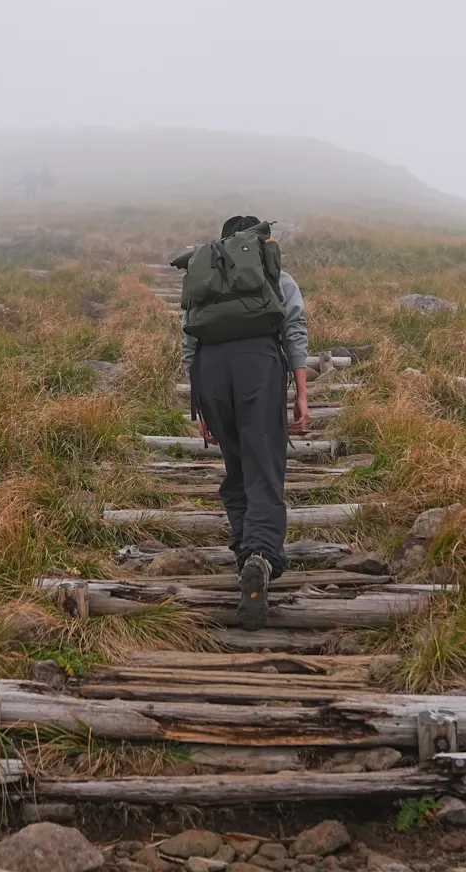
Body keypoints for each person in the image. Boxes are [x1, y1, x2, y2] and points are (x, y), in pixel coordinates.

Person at [180, 215, 310, 628]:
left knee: (236, 464)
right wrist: (302, 392)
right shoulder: (275, 274)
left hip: (213, 370)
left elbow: (189, 339)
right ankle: (261, 556)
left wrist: (200, 405)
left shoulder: (205, 277)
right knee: (265, 467)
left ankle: (244, 554)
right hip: (259, 365)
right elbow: (294, 328)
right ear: (258, 241)